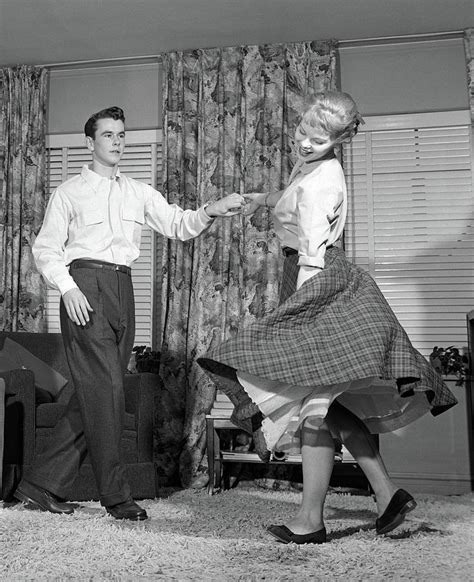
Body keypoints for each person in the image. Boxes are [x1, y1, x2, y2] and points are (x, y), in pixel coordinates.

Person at [198, 91, 457, 543]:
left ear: (339, 140)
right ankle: (386, 493)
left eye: (316, 140)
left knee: (314, 409)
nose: (303, 142)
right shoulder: (312, 167)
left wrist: (302, 320)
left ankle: (312, 520)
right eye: (301, 131)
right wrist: (263, 198)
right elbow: (292, 195)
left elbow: (313, 256)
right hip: (313, 278)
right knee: (326, 406)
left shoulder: (323, 183)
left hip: (319, 283)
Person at [14, 106, 245, 521]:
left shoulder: (138, 191)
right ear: (90, 142)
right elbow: (45, 248)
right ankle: (115, 496)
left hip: (123, 287)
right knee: (108, 394)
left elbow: (179, 223)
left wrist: (213, 209)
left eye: (122, 135)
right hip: (85, 287)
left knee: (99, 393)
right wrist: (67, 289)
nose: (117, 141)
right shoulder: (68, 191)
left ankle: (39, 485)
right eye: (108, 135)